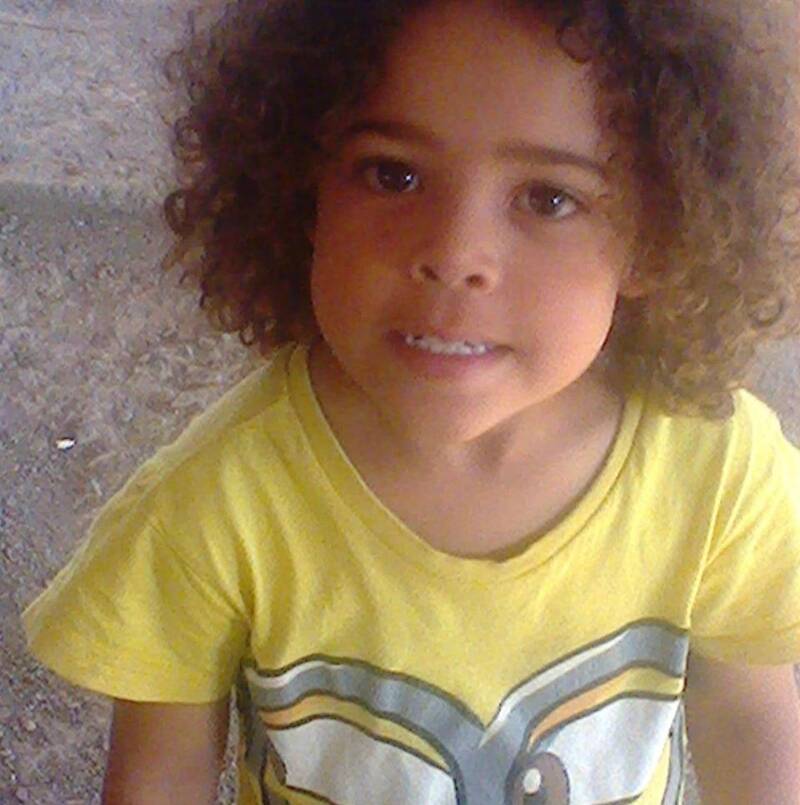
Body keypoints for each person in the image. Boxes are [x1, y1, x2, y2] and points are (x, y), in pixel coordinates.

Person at [20, 0, 800, 802]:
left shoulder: (720, 477)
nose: (455, 253)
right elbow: (160, 778)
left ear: (657, 233)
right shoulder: (213, 506)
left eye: (548, 198)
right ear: (301, 192)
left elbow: (749, 717)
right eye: (393, 174)